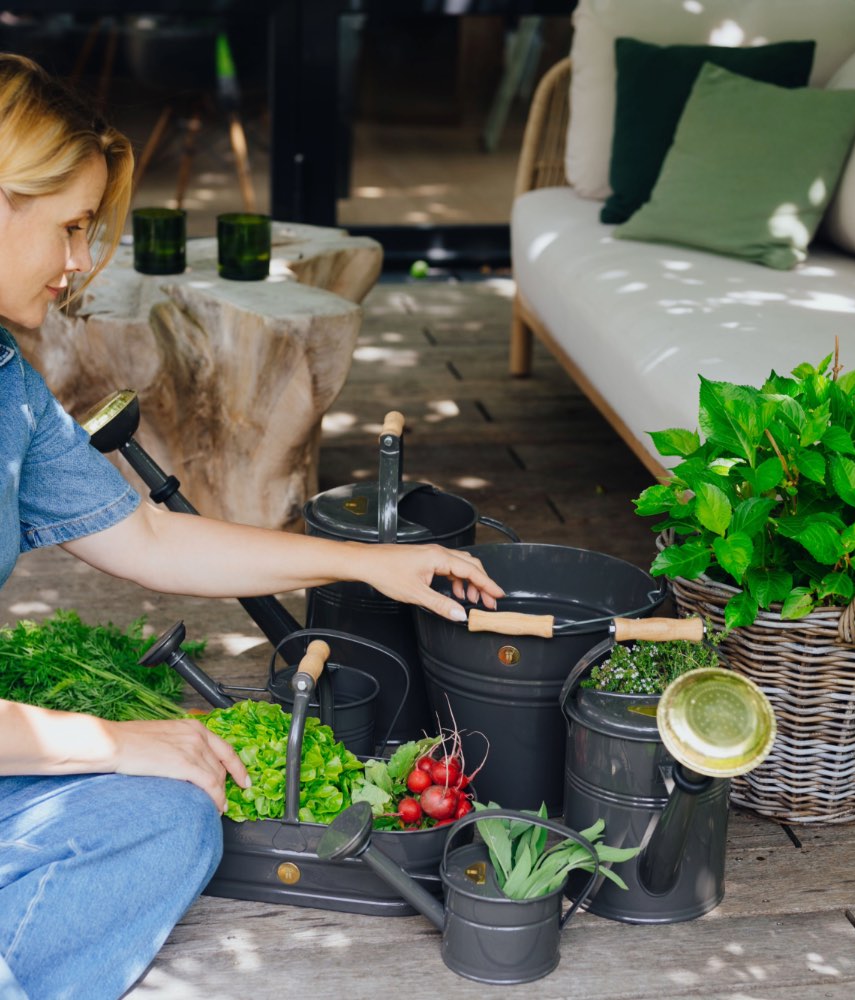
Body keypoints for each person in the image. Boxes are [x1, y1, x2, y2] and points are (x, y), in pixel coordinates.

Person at [0, 53, 504, 1000]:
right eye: (69, 227)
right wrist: (107, 738)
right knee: (149, 765)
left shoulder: (5, 382)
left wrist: (366, 563)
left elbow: (144, 537)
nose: (78, 264)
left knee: (177, 811)